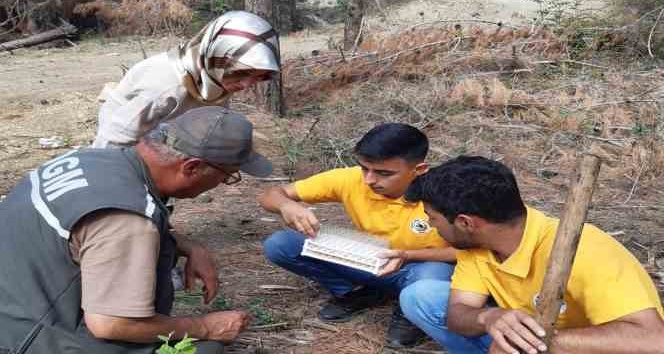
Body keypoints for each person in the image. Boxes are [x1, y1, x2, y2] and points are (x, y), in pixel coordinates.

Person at [0, 106, 273, 354]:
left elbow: (89, 236)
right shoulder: (128, 220)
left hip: (15, 307)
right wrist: (204, 326)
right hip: (25, 339)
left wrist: (187, 244)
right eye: (226, 176)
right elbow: (111, 324)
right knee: (205, 349)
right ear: (192, 167)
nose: (222, 183)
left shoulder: (92, 159)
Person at [403, 155, 664, 354]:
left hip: (584, 347)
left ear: (466, 222)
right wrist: (490, 317)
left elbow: (653, 340)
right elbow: (458, 314)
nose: (433, 228)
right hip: (533, 340)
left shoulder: (585, 249)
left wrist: (539, 343)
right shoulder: (475, 246)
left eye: (433, 219)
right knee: (420, 297)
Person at [258, 123, 458, 348]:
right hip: (368, 258)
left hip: (419, 269)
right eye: (364, 168)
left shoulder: (444, 193)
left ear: (419, 170)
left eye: (384, 173)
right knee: (282, 244)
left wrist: (408, 255)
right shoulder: (350, 179)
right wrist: (287, 205)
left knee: (435, 273)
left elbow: (468, 252)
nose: (369, 180)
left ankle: (410, 310)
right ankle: (360, 292)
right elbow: (270, 195)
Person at [92, 10, 280, 148]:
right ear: (216, 53)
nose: (246, 85)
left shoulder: (211, 75)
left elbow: (210, 120)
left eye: (259, 77)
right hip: (127, 131)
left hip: (162, 129)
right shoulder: (166, 85)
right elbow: (114, 137)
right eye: (241, 73)